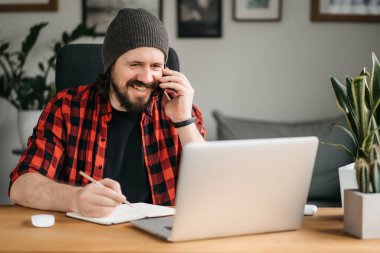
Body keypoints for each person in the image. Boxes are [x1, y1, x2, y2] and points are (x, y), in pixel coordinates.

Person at [9, 8, 206, 218]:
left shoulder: (183, 112)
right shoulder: (66, 107)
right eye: (135, 64)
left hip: (161, 241)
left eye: (156, 66)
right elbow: (21, 186)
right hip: (88, 239)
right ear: (110, 65)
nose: (147, 78)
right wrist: (74, 198)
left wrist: (184, 122)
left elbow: (213, 190)